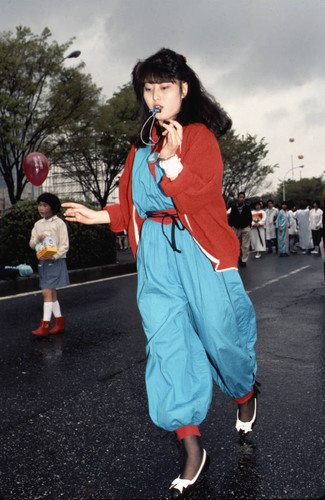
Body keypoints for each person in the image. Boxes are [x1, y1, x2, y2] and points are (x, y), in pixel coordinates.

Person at [63, 48, 258, 499]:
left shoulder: (199, 138)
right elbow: (135, 205)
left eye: (164, 86)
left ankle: (245, 392)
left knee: (221, 337)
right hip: (155, 253)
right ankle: (192, 447)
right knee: (168, 344)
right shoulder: (138, 147)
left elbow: (200, 196)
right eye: (148, 88)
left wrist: (173, 161)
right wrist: (100, 216)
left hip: (199, 250)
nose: (155, 95)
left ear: (183, 89)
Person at [30, 193, 70, 336]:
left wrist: (55, 257)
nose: (41, 208)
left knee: (46, 292)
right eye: (40, 205)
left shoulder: (59, 223)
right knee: (52, 294)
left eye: (45, 205)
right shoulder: (37, 225)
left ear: (52, 207)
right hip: (43, 262)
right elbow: (31, 244)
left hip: (55, 262)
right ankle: (59, 322)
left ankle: (45, 326)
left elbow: (64, 245)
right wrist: (37, 239)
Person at [228, 192, 252, 267]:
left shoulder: (247, 207)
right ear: (238, 198)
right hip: (236, 227)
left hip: (245, 227)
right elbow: (231, 218)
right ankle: (239, 257)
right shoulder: (234, 207)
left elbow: (250, 217)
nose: (242, 198)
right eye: (240, 197)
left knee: (245, 245)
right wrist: (231, 226)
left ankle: (244, 260)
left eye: (243, 197)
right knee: (237, 244)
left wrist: (248, 225)